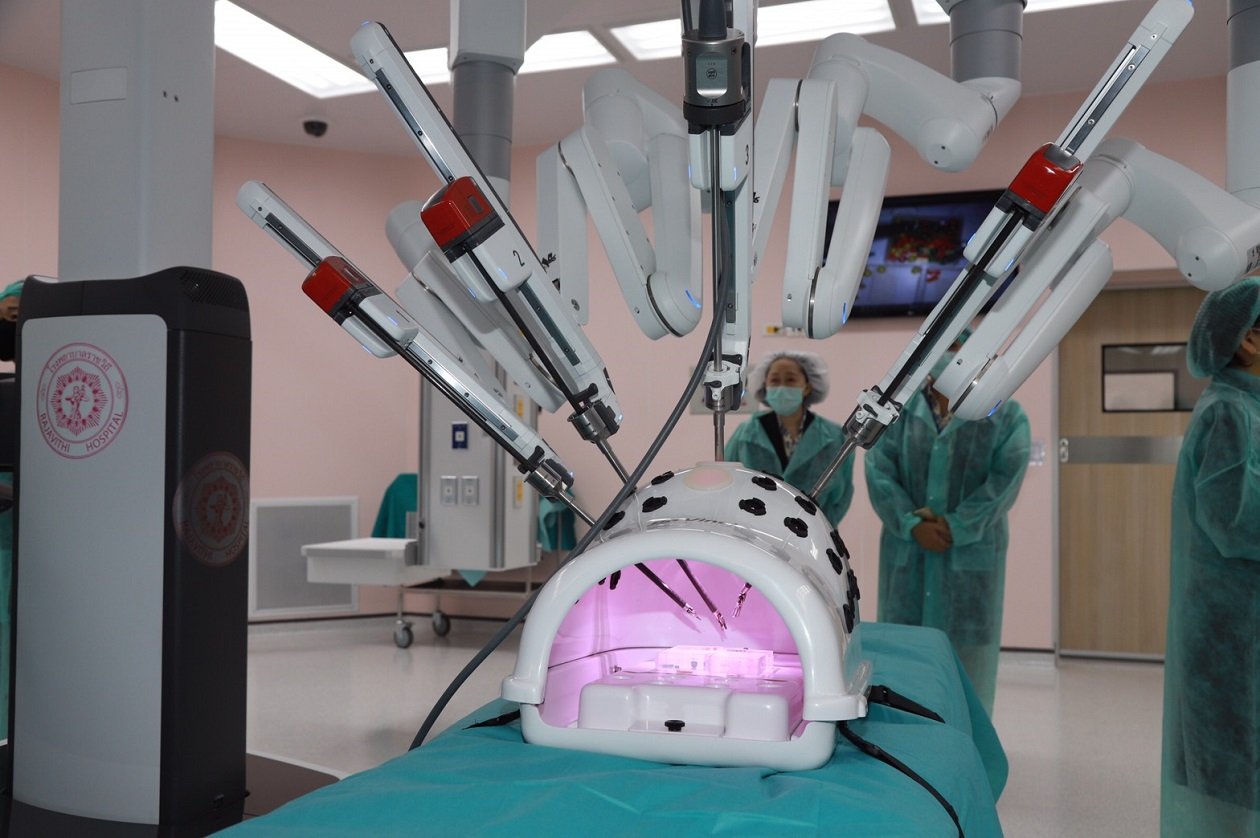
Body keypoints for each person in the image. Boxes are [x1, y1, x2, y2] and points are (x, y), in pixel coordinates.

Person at [864, 333, 1030, 714]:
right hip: (907, 555)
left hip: (970, 564)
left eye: (961, 347)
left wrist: (956, 525)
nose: (952, 356)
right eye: (946, 346)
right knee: (904, 663)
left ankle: (965, 739)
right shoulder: (898, 411)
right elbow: (879, 471)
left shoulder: (1005, 414)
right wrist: (912, 524)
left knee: (968, 671)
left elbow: (1005, 481)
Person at [1161, 277, 1260, 836]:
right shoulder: (1230, 411)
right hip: (1234, 630)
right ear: (1250, 339)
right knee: (1231, 770)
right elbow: (1235, 521)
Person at [723, 350, 854, 526]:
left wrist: (820, 529)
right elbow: (728, 482)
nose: (782, 386)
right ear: (765, 386)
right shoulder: (746, 434)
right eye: (775, 380)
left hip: (812, 533)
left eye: (791, 379)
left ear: (807, 387)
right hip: (755, 531)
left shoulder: (835, 437)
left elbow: (841, 497)